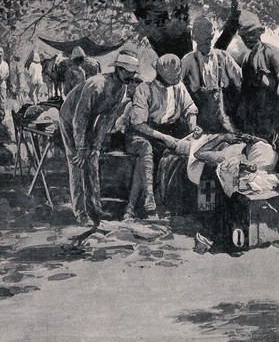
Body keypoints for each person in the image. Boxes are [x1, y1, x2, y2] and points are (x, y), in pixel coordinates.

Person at [59, 50, 139, 226]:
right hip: (69, 118)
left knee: (93, 160)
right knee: (77, 164)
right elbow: (80, 116)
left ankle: (94, 207)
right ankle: (80, 213)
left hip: (88, 121)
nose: (130, 75)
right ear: (118, 69)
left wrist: (95, 144)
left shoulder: (121, 89)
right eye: (126, 71)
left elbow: (107, 119)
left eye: (132, 72)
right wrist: (80, 148)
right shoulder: (97, 85)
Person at [125, 54, 199, 218]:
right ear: (159, 73)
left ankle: (166, 203)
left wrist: (193, 126)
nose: (172, 82)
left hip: (169, 133)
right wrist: (163, 138)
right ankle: (148, 196)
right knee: (145, 151)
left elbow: (190, 109)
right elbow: (138, 123)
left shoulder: (179, 87)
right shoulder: (144, 89)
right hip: (144, 133)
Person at [237, 10, 279, 177]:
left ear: (260, 33)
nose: (248, 39)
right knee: (258, 160)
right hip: (254, 120)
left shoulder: (273, 54)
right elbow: (245, 93)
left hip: (272, 117)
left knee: (278, 158)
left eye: (252, 34)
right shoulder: (246, 59)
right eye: (245, 36)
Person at [181, 15, 242, 133]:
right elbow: (176, 87)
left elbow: (240, 80)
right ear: (195, 39)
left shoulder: (223, 57)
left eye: (207, 39)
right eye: (200, 40)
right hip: (200, 118)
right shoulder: (188, 60)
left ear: (212, 36)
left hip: (223, 116)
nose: (204, 43)